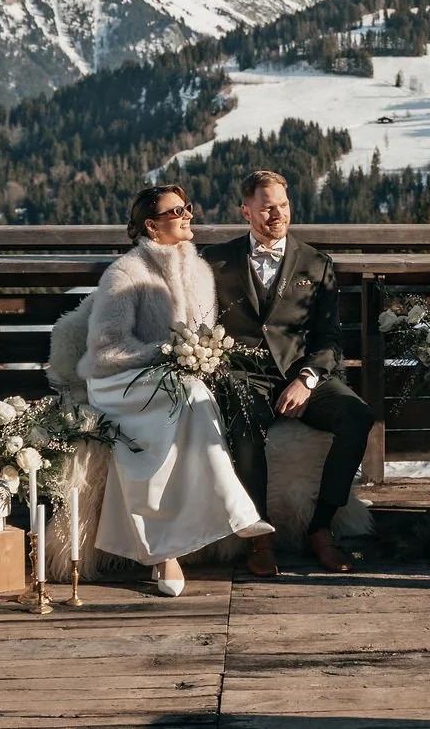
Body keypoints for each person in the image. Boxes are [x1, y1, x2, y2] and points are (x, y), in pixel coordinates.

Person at [80, 183, 274, 596]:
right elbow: (105, 348)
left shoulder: (200, 271)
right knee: (190, 396)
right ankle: (224, 521)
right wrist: (167, 354)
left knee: (192, 395)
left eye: (189, 207)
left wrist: (199, 357)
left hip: (178, 379)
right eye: (177, 212)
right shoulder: (125, 273)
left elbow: (203, 335)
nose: (189, 215)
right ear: (151, 226)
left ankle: (182, 543)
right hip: (119, 381)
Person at [202, 170, 374, 577]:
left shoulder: (317, 264)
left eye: (282, 206)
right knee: (244, 426)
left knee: (357, 416)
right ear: (246, 211)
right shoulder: (215, 261)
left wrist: (308, 379)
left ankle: (321, 529)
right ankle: (259, 539)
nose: (276, 214)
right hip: (244, 377)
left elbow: (331, 339)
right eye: (266, 208)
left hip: (303, 375)